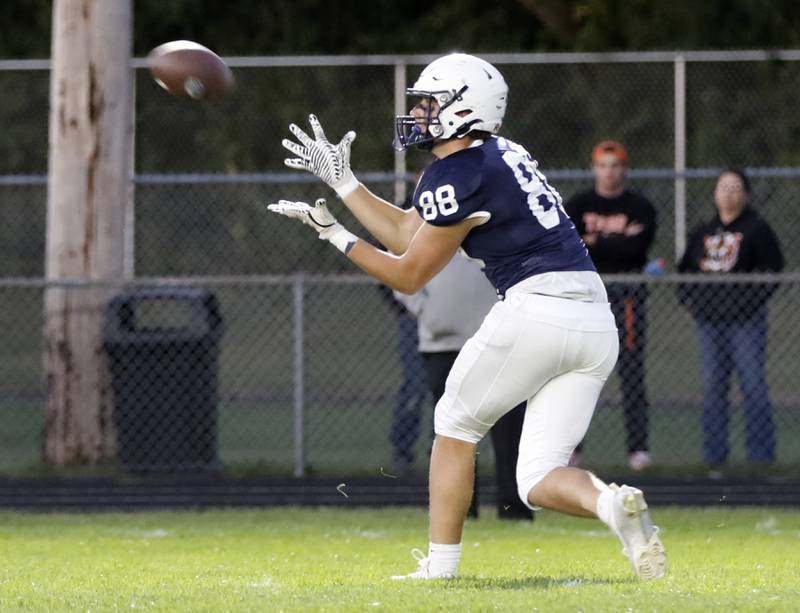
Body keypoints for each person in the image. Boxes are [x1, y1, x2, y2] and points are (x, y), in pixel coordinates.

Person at [268, 52, 666, 581]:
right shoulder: (499, 153)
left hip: (536, 308)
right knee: (538, 477)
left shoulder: (455, 174)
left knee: (454, 425)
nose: (419, 114)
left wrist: (335, 235)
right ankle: (613, 504)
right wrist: (345, 186)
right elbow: (412, 231)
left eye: (430, 104)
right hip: (594, 319)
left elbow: (409, 273)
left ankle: (441, 567)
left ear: (463, 109)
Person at [396, 253, 533, 521]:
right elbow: (395, 261)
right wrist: (427, 309)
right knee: (454, 432)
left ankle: (515, 508)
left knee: (510, 431)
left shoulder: (504, 218)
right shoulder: (425, 217)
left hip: (500, 343)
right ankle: (460, 509)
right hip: (443, 346)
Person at [677, 168, 784, 475]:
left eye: (735, 187)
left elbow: (773, 269)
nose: (728, 193)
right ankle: (715, 459)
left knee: (752, 385)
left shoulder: (757, 228)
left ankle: (761, 459)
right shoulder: (703, 230)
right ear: (715, 193)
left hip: (745, 322)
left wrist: (749, 302)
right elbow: (684, 271)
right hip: (710, 322)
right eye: (723, 187)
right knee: (713, 388)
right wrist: (693, 304)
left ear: (746, 193)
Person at [565, 140, 656, 472]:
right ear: (594, 168)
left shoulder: (640, 206)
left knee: (631, 372)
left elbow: (636, 250)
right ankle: (572, 448)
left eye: (615, 165)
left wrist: (598, 242)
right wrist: (616, 242)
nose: (609, 171)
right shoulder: (578, 205)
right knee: (578, 373)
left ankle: (639, 449)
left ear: (625, 169)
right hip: (586, 298)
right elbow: (574, 248)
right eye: (603, 165)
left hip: (627, 299)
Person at [378, 283, 430, 476]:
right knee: (414, 390)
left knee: (446, 391)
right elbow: (385, 275)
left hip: (446, 320)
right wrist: (404, 309)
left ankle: (440, 454)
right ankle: (401, 454)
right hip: (413, 321)